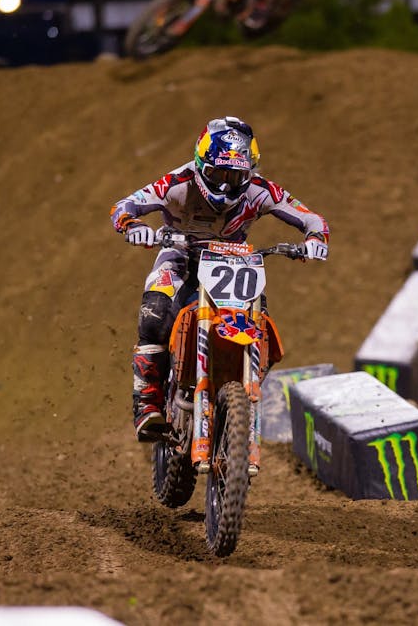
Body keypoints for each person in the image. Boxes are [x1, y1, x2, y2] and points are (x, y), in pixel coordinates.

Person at [110, 116, 329, 441]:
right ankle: (148, 404)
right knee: (154, 314)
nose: (225, 185)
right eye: (217, 174)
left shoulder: (261, 190)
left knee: (260, 331)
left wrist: (315, 240)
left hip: (235, 264)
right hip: (180, 255)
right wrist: (133, 225)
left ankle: (235, 395)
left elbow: (312, 219)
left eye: (235, 176)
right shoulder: (178, 182)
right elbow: (124, 206)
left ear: (249, 172)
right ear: (201, 166)